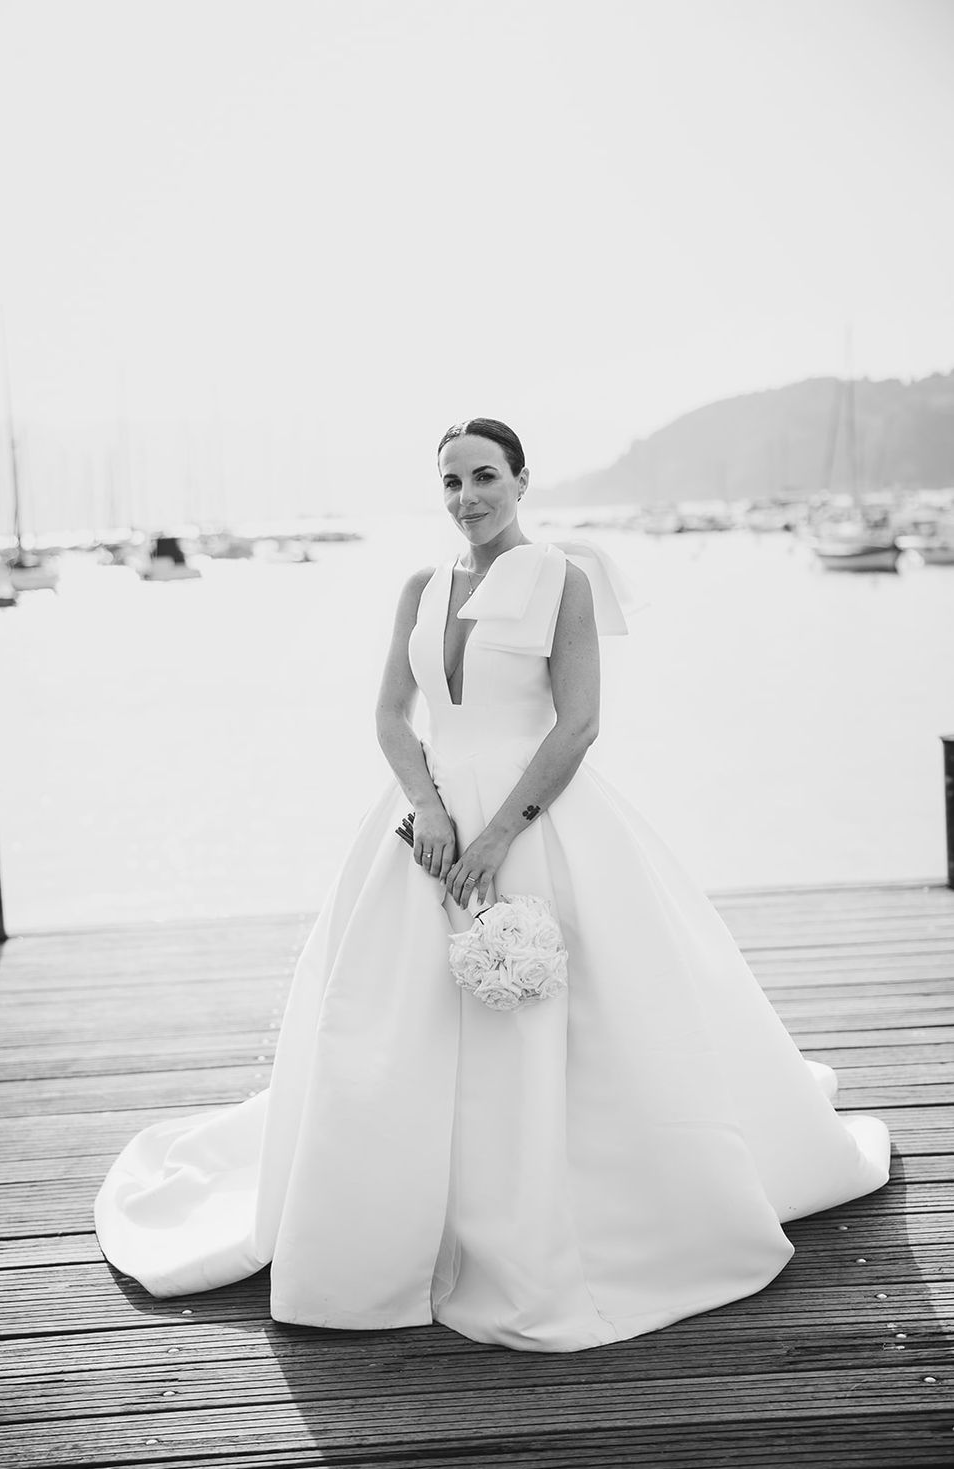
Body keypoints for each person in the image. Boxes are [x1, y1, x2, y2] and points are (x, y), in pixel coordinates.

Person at [94, 417, 890, 1353]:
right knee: (389, 1018)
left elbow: (580, 723)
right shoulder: (420, 587)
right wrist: (429, 811)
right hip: (428, 828)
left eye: (483, 476)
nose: (466, 497)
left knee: (579, 1015)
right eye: (449, 482)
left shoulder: (563, 579)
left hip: (537, 817)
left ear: (519, 479)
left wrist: (500, 832)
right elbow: (392, 714)